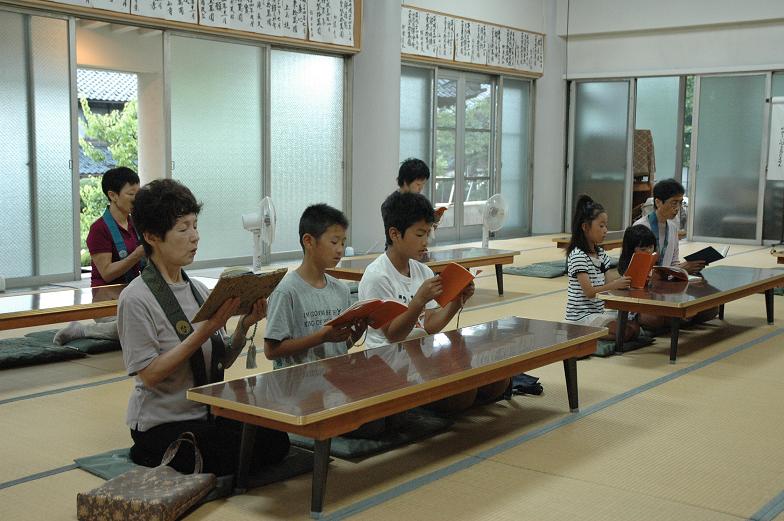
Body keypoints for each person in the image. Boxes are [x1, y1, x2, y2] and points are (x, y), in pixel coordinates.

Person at [118, 179, 289, 476]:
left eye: (195, 225)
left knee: (276, 439)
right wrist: (206, 330)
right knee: (234, 454)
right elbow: (150, 375)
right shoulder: (136, 298)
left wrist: (243, 325)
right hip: (162, 424)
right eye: (183, 229)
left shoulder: (197, 289)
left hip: (206, 414)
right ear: (151, 236)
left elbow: (221, 359)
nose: (195, 236)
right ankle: (147, 452)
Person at [359, 191, 507, 411]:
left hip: (421, 359)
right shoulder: (377, 277)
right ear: (395, 234)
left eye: (428, 233)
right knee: (463, 396)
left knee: (498, 381)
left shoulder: (422, 271)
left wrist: (456, 301)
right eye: (420, 234)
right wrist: (418, 300)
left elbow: (429, 325)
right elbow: (393, 335)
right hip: (390, 365)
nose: (426, 242)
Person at [264, 204, 366, 369]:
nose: (340, 250)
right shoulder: (286, 291)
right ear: (308, 241)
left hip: (336, 382)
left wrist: (354, 336)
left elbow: (338, 347)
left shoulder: (341, 290)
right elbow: (271, 351)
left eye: (343, 243)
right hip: (297, 384)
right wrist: (321, 337)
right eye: (334, 242)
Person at [54, 167, 145, 345]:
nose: (136, 199)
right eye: (131, 194)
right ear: (113, 195)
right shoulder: (99, 229)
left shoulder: (136, 224)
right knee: (133, 328)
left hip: (132, 295)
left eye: (138, 193)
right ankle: (82, 330)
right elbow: (107, 273)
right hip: (106, 299)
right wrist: (136, 255)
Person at [566, 195, 639, 340]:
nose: (605, 230)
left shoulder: (600, 253)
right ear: (585, 227)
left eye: (606, 226)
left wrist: (627, 280)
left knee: (635, 327)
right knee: (625, 332)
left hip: (597, 313)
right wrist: (614, 285)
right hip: (580, 318)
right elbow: (589, 292)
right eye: (601, 226)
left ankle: (595, 333)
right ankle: (581, 333)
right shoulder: (578, 256)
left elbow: (609, 281)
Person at [633, 178, 704, 274]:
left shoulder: (672, 228)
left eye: (680, 202)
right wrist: (680, 269)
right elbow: (638, 268)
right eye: (674, 203)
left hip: (665, 280)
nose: (678, 208)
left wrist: (685, 269)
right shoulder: (640, 227)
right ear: (658, 202)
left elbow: (674, 262)